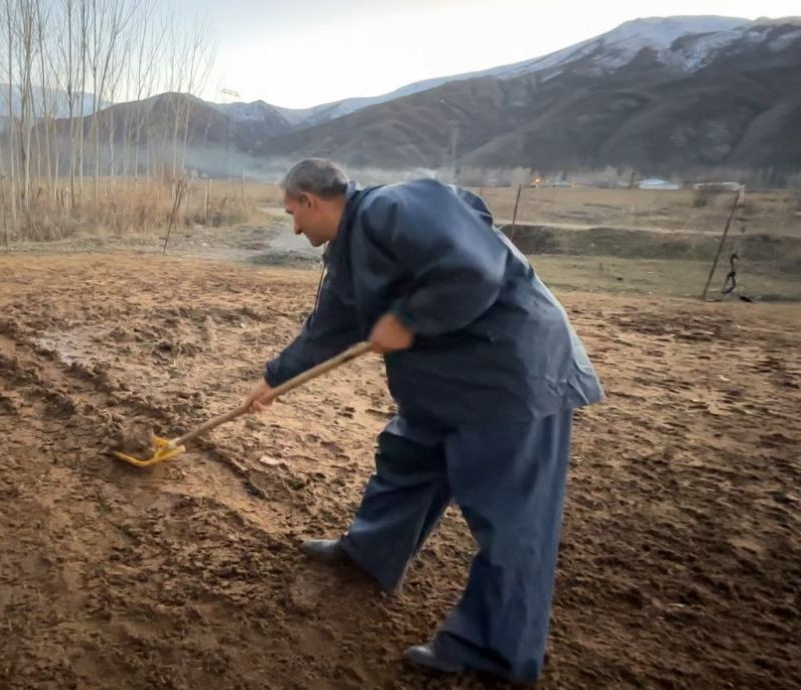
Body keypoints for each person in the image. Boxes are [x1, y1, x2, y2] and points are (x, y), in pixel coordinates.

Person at [245, 159, 603, 684]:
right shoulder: (348, 253)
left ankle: (494, 651)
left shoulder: (399, 206)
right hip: (443, 384)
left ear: (311, 200)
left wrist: (410, 320)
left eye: (292, 214)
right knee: (406, 460)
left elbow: (475, 269)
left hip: (510, 378)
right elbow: (331, 327)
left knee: (512, 522)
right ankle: (370, 552)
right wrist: (275, 377)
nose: (294, 228)